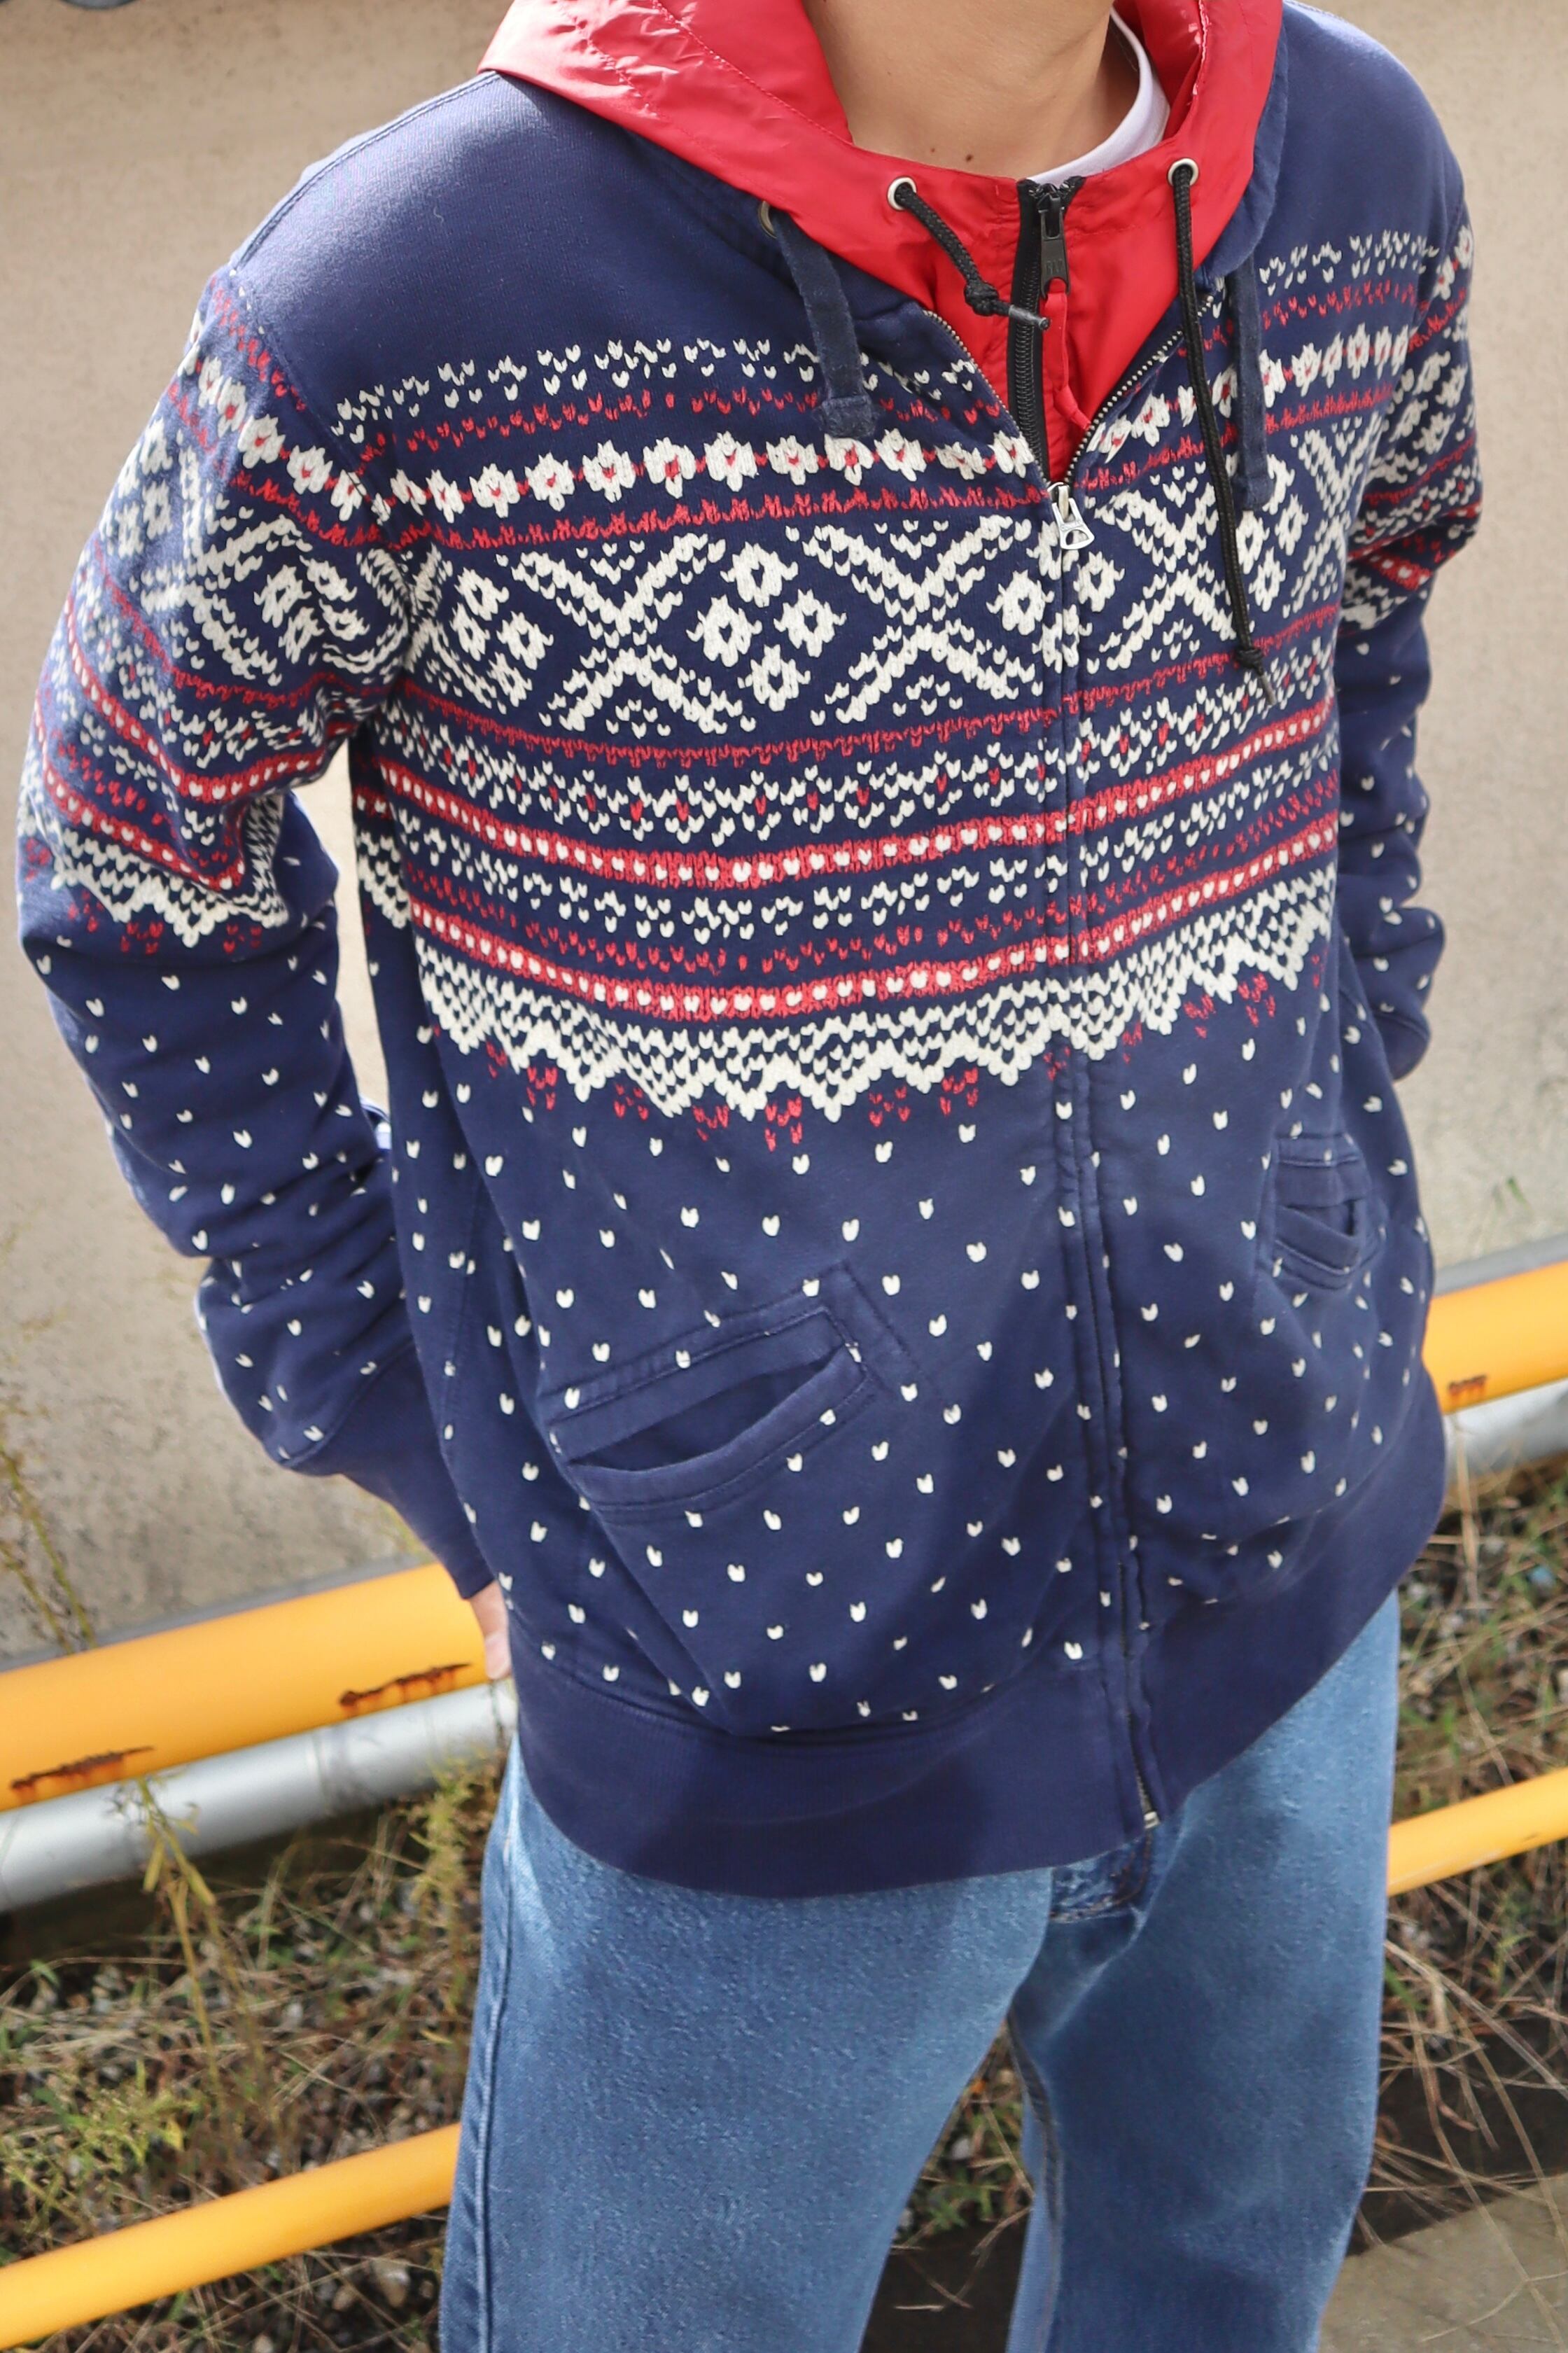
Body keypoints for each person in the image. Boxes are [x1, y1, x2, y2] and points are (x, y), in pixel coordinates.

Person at [18, 0, 1480, 2341]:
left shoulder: (1354, 166)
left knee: (1221, 2285)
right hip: (748, 1670)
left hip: (1292, 1582)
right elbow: (130, 862)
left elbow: (1363, 634)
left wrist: (1336, 1123)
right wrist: (407, 1400)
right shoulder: (410, 294)